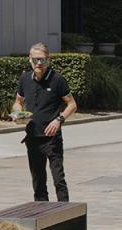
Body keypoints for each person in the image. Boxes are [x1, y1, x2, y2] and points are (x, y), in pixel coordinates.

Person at [11, 41, 75, 203]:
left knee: (58, 180)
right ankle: (41, 218)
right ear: (29, 59)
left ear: (48, 59)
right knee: (38, 181)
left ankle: (65, 219)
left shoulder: (57, 79)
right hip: (32, 137)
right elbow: (18, 101)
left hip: (52, 139)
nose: (38, 63)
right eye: (35, 60)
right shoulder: (25, 79)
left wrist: (59, 120)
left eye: (42, 60)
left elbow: (72, 105)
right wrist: (17, 112)